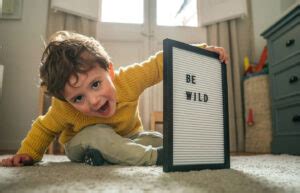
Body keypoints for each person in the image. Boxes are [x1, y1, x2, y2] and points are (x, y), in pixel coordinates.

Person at [0, 31, 228, 167]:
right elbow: (43, 128)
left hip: (130, 137)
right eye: (78, 98)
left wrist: (202, 52)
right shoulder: (63, 108)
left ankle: (111, 157)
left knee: (156, 137)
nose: (93, 100)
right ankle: (154, 158)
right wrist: (27, 154)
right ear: (67, 100)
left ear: (110, 71)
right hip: (82, 142)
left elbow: (159, 64)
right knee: (99, 134)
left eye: (96, 84)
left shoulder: (128, 79)